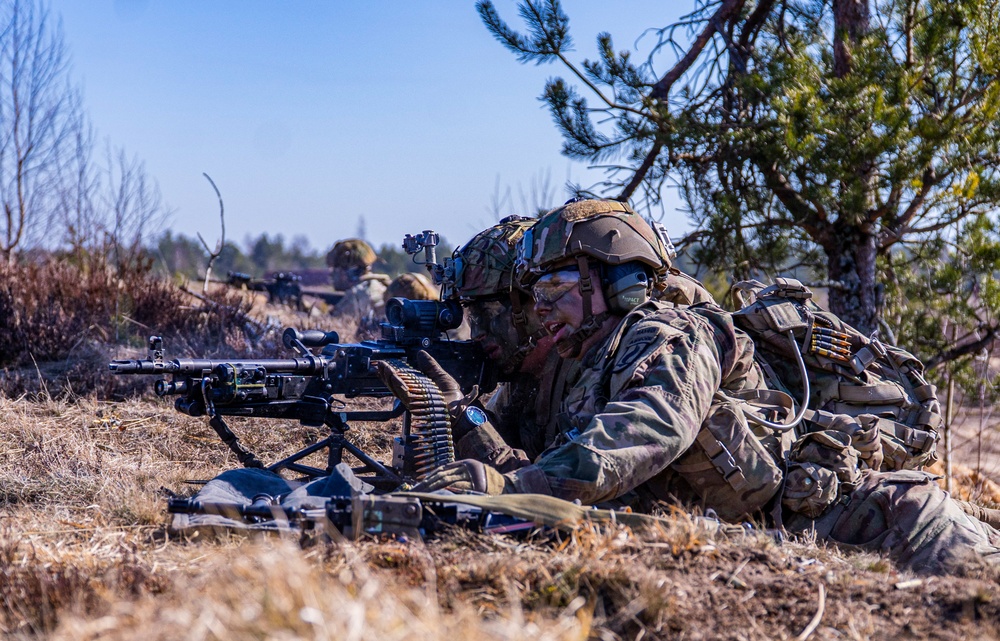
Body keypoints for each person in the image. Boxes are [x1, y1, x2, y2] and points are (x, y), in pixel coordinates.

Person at [403, 198, 1000, 575]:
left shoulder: (674, 333)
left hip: (883, 525)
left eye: (556, 285)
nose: (542, 307)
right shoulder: (580, 361)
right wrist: (454, 419)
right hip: (775, 549)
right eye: (536, 293)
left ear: (616, 281)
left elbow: (648, 428)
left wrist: (514, 486)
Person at [326, 238, 392, 325]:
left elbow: (332, 323)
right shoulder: (379, 285)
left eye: (335, 269)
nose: (332, 274)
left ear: (351, 271)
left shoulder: (358, 294)